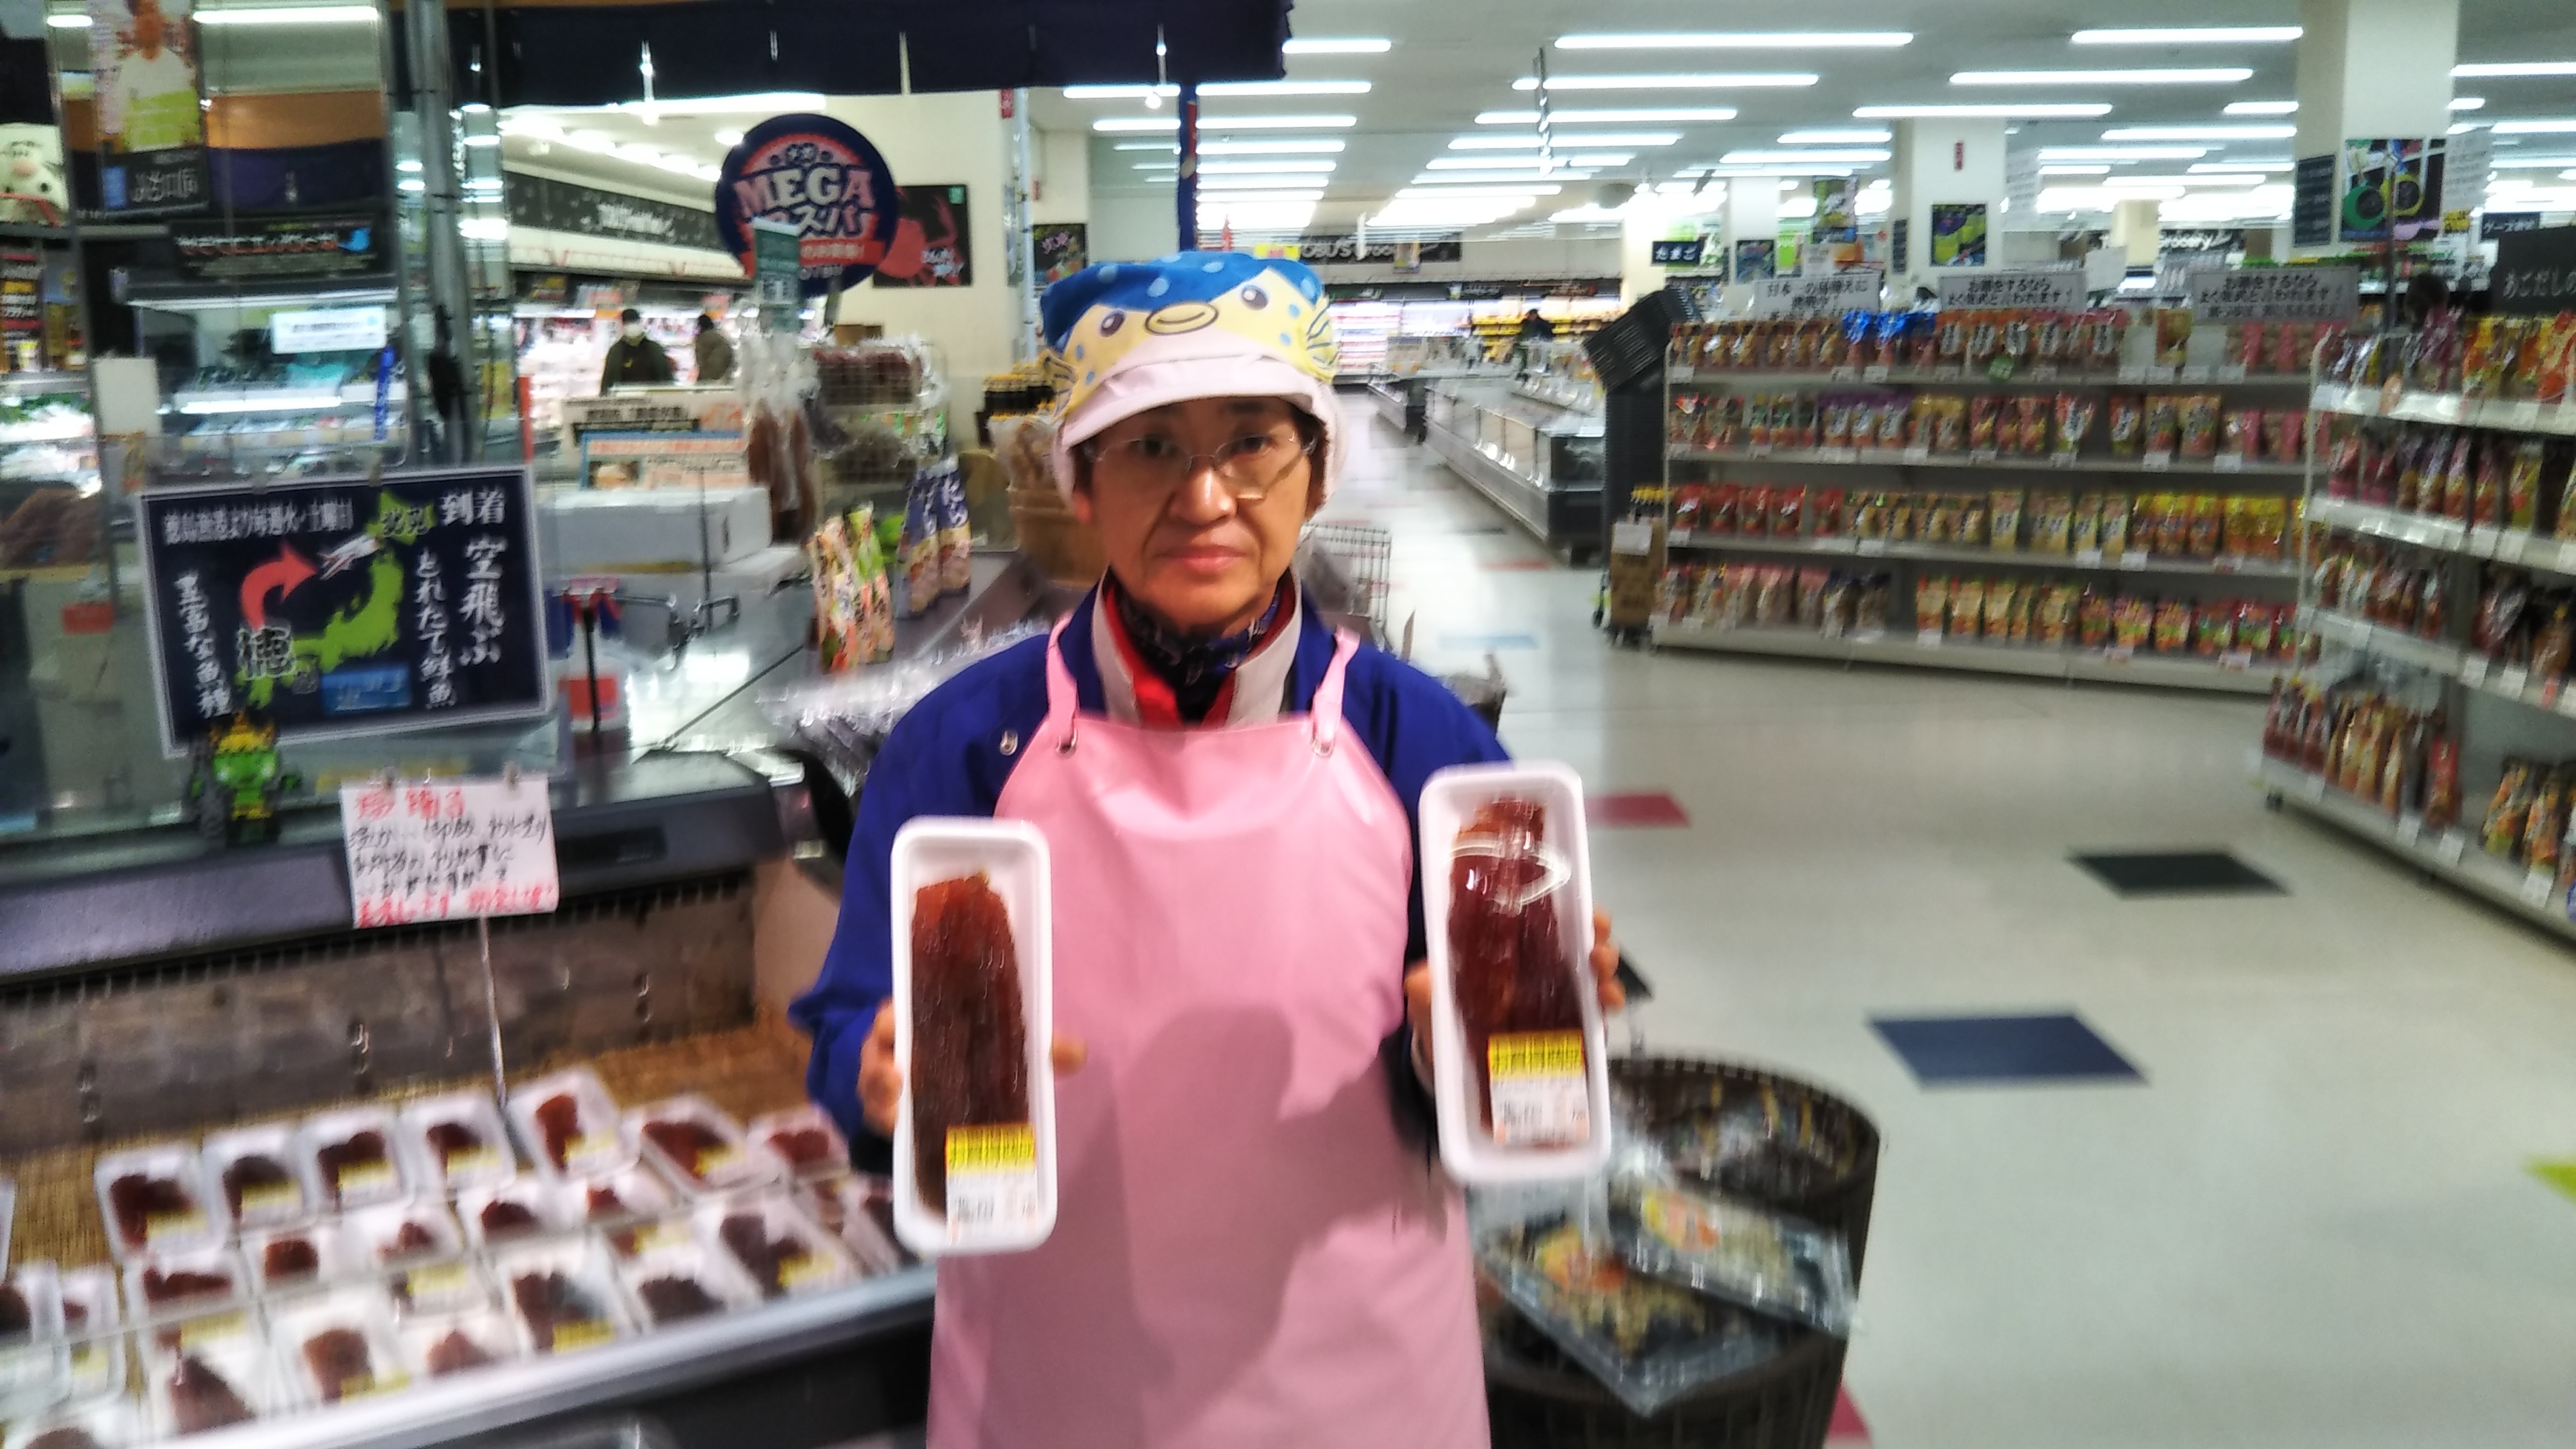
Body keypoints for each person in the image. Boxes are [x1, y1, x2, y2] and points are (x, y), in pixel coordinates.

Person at [789, 252, 1624, 1448]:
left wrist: (1481, 1052)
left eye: (1250, 443)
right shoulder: (965, 751)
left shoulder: (1424, 745)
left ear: (1317, 469)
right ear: (1079, 479)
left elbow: (1508, 1096)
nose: (1204, 496)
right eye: (1150, 446)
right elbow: (850, 1025)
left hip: (1365, 1385)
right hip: (1054, 1383)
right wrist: (876, 1078)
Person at [101, 0, 202, 155]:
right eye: (142, 13)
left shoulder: (178, 68)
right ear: (135, 21)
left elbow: (190, 132)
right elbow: (120, 133)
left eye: (152, 11)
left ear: (161, 18)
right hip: (140, 161)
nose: (148, 19)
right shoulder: (126, 72)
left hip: (174, 160)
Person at [599, 307, 674, 389]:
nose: (631, 325)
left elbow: (667, 378)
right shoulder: (615, 352)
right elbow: (608, 381)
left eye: (634, 322)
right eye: (628, 323)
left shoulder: (655, 349)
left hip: (653, 396)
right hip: (624, 396)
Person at [691, 312, 735, 384]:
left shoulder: (704, 339)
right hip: (723, 375)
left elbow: (701, 359)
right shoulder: (719, 337)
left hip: (710, 376)